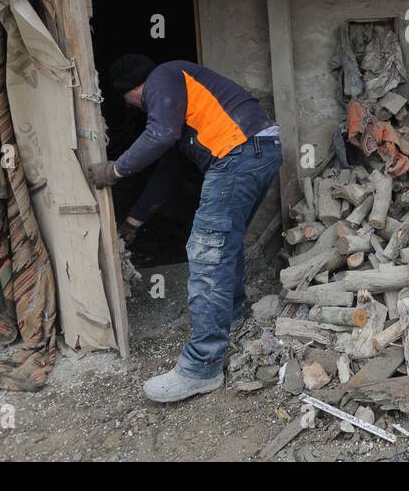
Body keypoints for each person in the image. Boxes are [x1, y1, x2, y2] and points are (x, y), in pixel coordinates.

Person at [87, 54, 281, 403]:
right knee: (224, 245)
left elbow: (158, 135)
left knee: (207, 255)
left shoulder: (165, 73)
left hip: (238, 154)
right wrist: (133, 222)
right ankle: (232, 314)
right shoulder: (182, 111)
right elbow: (167, 173)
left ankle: (201, 367)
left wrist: (115, 171)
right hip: (259, 150)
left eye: (131, 103)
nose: (139, 110)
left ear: (132, 92)